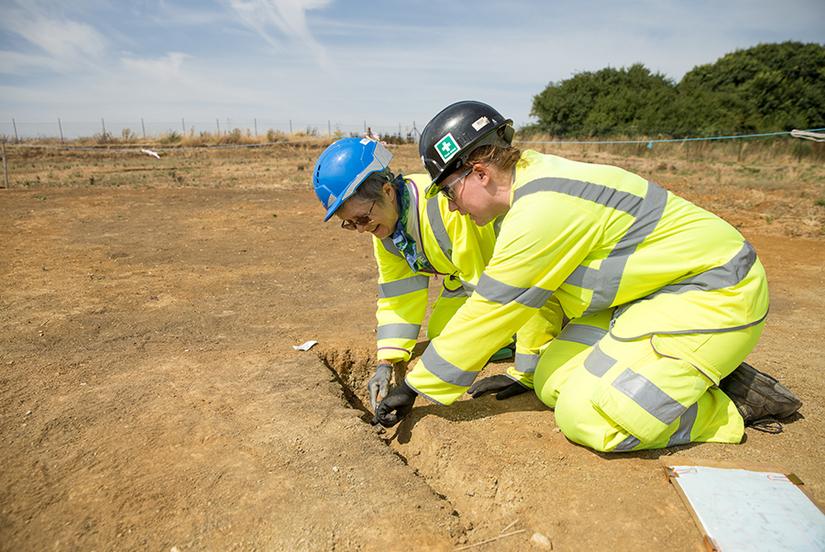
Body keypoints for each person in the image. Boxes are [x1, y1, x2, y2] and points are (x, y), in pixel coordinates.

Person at [373, 101, 801, 452]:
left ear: (480, 173)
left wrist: (413, 387)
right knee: (550, 379)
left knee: (588, 417)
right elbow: (543, 297)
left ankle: (726, 405)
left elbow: (494, 309)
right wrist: (524, 372)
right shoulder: (525, 197)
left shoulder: (544, 208)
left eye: (448, 191)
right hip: (645, 300)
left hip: (713, 292)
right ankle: (685, 375)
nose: (450, 206)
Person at [312, 137, 555, 409]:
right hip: (465, 282)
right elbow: (398, 294)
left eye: (362, 218)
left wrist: (414, 387)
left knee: (481, 333)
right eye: (350, 223)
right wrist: (386, 362)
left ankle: (525, 340)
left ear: (388, 191)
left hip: (505, 278)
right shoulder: (386, 231)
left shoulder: (444, 205)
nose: (360, 229)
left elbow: (487, 287)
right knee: (441, 331)